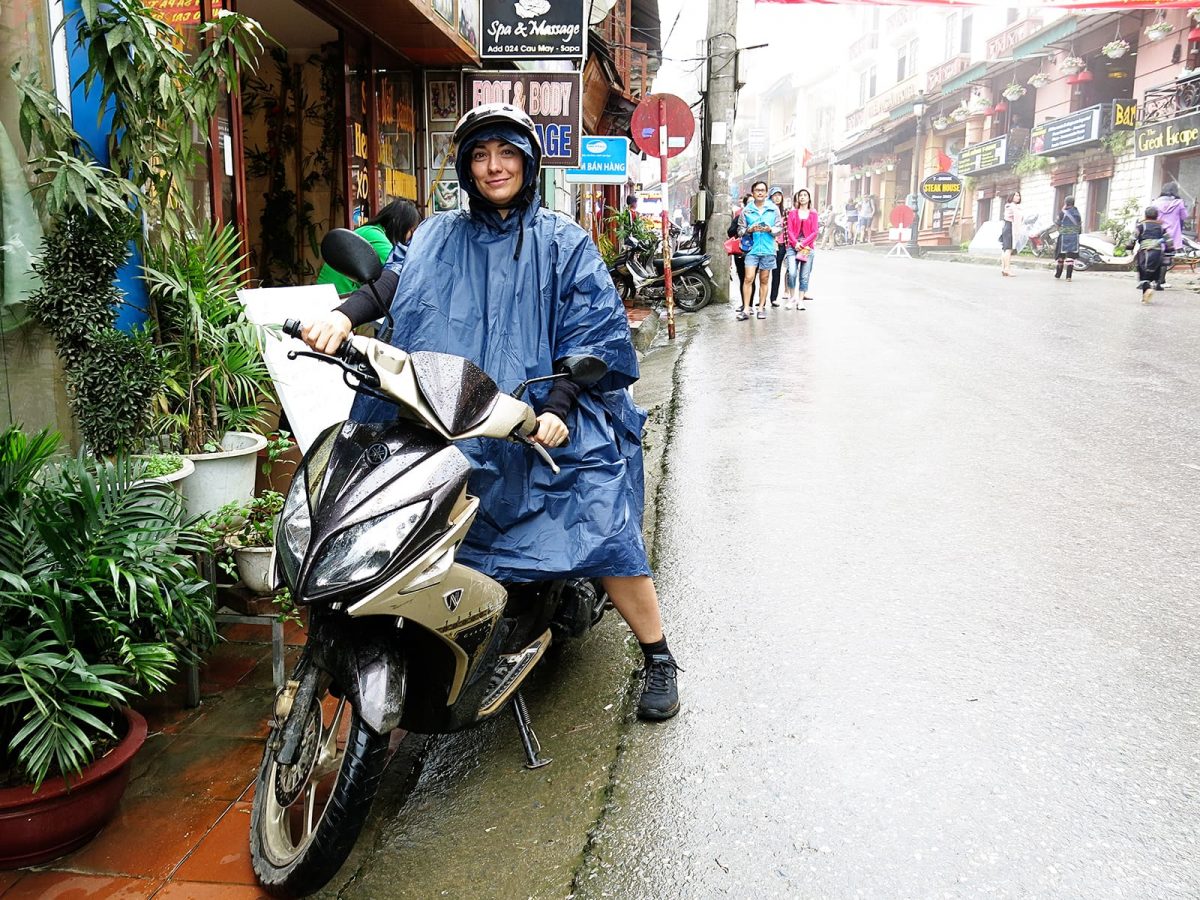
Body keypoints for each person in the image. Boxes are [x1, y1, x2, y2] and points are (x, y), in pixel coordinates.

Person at [300, 103, 681, 721]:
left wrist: (559, 403)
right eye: (480, 155)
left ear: (528, 163)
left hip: (540, 412)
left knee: (599, 509)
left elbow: (589, 331)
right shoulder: (439, 234)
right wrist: (343, 315)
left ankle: (657, 654)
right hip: (449, 410)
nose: (493, 166)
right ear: (465, 165)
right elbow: (395, 283)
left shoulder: (563, 241)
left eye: (505, 153)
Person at [316, 199, 422, 295]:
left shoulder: (371, 231)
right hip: (337, 297)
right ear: (398, 223)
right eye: (411, 231)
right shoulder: (373, 234)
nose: (411, 237)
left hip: (340, 295)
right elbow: (404, 270)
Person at [737, 180, 782, 320]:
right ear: (753, 192)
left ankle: (761, 307)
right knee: (748, 278)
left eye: (763, 190)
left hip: (768, 249)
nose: (760, 192)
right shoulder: (747, 210)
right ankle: (746, 308)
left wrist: (770, 229)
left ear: (766, 192)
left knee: (764, 279)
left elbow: (779, 229)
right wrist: (749, 230)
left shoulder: (774, 209)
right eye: (757, 190)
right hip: (751, 249)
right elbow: (739, 230)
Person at [1129, 206, 1172, 304]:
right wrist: (1170, 249)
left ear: (1145, 215)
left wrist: (1129, 247)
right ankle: (1152, 286)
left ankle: (1146, 292)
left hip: (1145, 252)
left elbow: (1132, 238)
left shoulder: (1141, 226)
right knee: (1155, 270)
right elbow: (1168, 240)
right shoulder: (1161, 227)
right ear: (1157, 216)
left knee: (1144, 272)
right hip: (1158, 252)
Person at [785, 188, 818, 311]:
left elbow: (815, 232)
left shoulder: (813, 213)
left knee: (804, 275)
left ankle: (800, 300)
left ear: (809, 198)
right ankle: (792, 297)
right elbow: (789, 230)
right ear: (797, 198)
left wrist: (803, 243)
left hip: (807, 247)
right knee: (792, 272)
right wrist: (795, 243)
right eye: (800, 195)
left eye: (805, 195)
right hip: (793, 247)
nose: (803, 197)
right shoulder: (792, 213)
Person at [1152, 182, 1187, 287]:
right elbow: (1184, 216)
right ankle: (1161, 281)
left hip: (1157, 233)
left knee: (1157, 256)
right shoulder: (1179, 203)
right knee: (1167, 257)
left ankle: (1154, 280)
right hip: (1171, 235)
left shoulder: (1155, 203)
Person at [727, 194, 752, 307]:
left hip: (754, 252)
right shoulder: (739, 218)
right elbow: (730, 232)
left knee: (751, 278)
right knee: (743, 278)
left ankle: (750, 305)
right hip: (740, 252)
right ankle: (744, 304)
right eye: (749, 203)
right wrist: (740, 227)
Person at [768, 186, 788, 308]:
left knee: (777, 272)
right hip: (769, 244)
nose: (777, 197)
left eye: (779, 195)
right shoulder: (768, 211)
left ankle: (773, 298)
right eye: (775, 195)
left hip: (781, 246)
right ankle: (762, 298)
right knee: (764, 273)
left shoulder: (785, 212)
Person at [1054, 196, 1082, 282]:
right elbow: (1079, 224)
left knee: (1061, 256)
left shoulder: (1062, 213)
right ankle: (1068, 277)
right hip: (1074, 237)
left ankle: (1058, 274)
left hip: (1063, 236)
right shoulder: (1077, 212)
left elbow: (1057, 224)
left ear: (1065, 202)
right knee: (1070, 256)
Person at [1000, 190, 1023, 277]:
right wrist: (1018, 233)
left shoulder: (1008, 205)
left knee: (1005, 249)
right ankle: (1007, 269)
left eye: (1019, 196)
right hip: (1011, 228)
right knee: (1008, 249)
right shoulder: (1013, 207)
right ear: (1011, 196)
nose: (1018, 197)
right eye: (1016, 195)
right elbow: (1017, 220)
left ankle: (1003, 268)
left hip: (1007, 226)